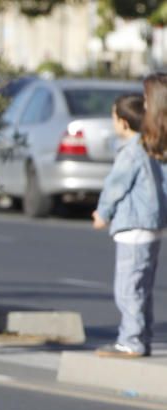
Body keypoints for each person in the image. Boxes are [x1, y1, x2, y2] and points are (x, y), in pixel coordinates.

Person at [92, 86, 167, 358]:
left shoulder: (131, 151)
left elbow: (116, 185)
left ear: (123, 123)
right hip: (152, 225)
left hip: (133, 225)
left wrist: (103, 213)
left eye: (113, 117)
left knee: (127, 288)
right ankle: (142, 337)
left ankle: (131, 340)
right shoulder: (151, 144)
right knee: (142, 288)